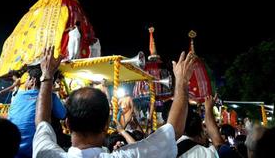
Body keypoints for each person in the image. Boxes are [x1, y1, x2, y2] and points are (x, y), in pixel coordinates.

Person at [33, 47, 195, 158]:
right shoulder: (130, 155)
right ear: (106, 125)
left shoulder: (46, 154)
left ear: (67, 124)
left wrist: (47, 76)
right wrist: (181, 82)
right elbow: (173, 131)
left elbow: (42, 123)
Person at [8, 66, 66, 158]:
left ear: (33, 80)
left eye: (27, 79)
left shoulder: (17, 97)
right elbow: (62, 115)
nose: (25, 82)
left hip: (14, 151)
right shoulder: (51, 97)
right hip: (38, 151)